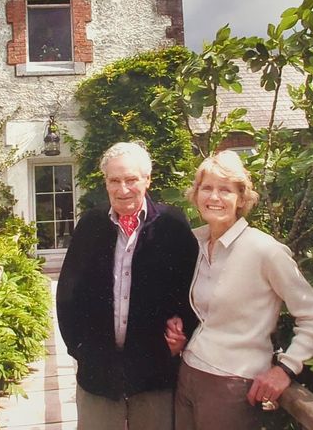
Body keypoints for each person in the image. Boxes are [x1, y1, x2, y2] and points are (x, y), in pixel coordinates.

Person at [165, 150, 313, 430]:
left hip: (232, 386)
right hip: (188, 374)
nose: (214, 197)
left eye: (225, 190)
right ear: (195, 195)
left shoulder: (264, 250)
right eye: (207, 188)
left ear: (241, 199)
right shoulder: (198, 243)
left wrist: (286, 368)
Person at [56, 141, 198, 430]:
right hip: (98, 369)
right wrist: (79, 348)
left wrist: (183, 335)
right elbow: (68, 294)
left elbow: (192, 289)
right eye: (115, 180)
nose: (123, 189)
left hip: (154, 369)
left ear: (147, 180)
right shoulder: (91, 225)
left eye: (131, 179)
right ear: (105, 182)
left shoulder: (172, 225)